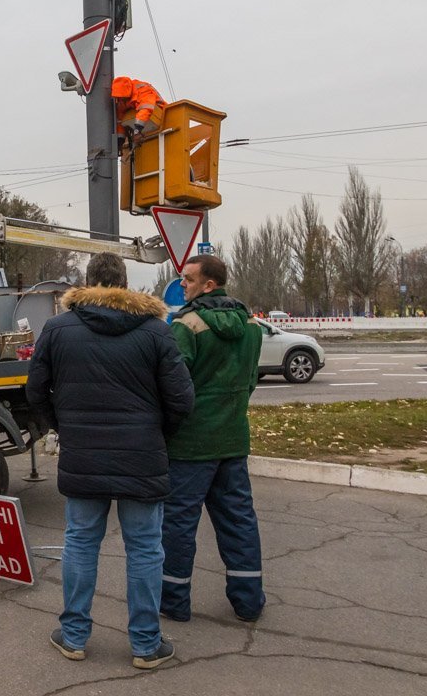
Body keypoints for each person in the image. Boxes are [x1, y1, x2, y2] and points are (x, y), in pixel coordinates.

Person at [26, 253, 195, 670]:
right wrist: (158, 433)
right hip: (143, 454)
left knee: (81, 542)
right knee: (144, 548)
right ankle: (145, 644)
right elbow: (182, 400)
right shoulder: (156, 331)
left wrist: (63, 426)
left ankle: (74, 636)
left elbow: (35, 391)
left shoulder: (58, 328)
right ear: (124, 283)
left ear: (86, 282)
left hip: (82, 453)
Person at [162, 254, 266, 624]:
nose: (183, 284)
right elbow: (251, 381)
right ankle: (249, 601)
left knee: (178, 526)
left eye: (188, 279)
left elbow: (174, 389)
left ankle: (174, 601)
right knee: (239, 522)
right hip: (233, 440)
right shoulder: (252, 326)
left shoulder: (185, 326)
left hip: (190, 446)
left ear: (209, 284)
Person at [111, 76, 167, 143]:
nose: (122, 99)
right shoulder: (122, 100)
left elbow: (146, 108)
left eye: (123, 97)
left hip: (163, 116)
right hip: (146, 125)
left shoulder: (143, 89)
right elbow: (120, 119)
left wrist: (137, 130)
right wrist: (120, 139)